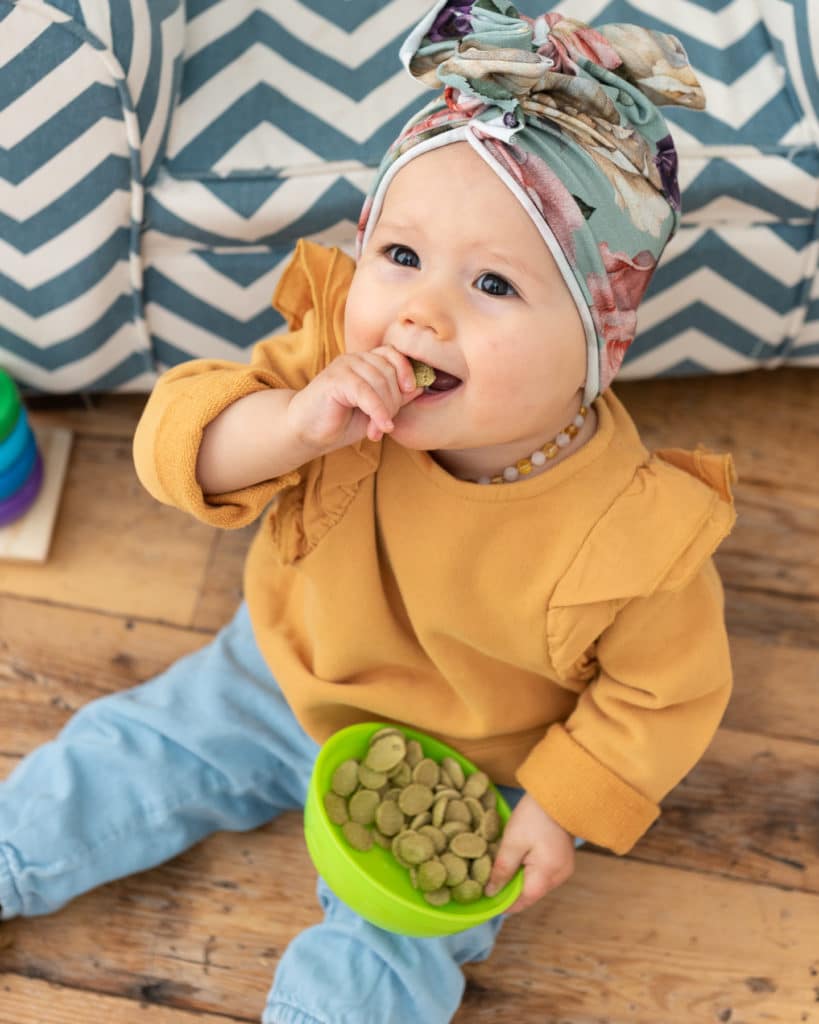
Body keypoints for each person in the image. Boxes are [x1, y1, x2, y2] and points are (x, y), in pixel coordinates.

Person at [0, 3, 737, 1022]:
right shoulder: (329, 380)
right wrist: (294, 426)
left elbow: (668, 690)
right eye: (398, 256)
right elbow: (180, 440)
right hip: (282, 664)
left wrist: (561, 805)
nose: (423, 312)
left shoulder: (632, 531)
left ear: (595, 352)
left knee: (386, 961)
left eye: (491, 282)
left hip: (466, 765)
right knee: (124, 755)